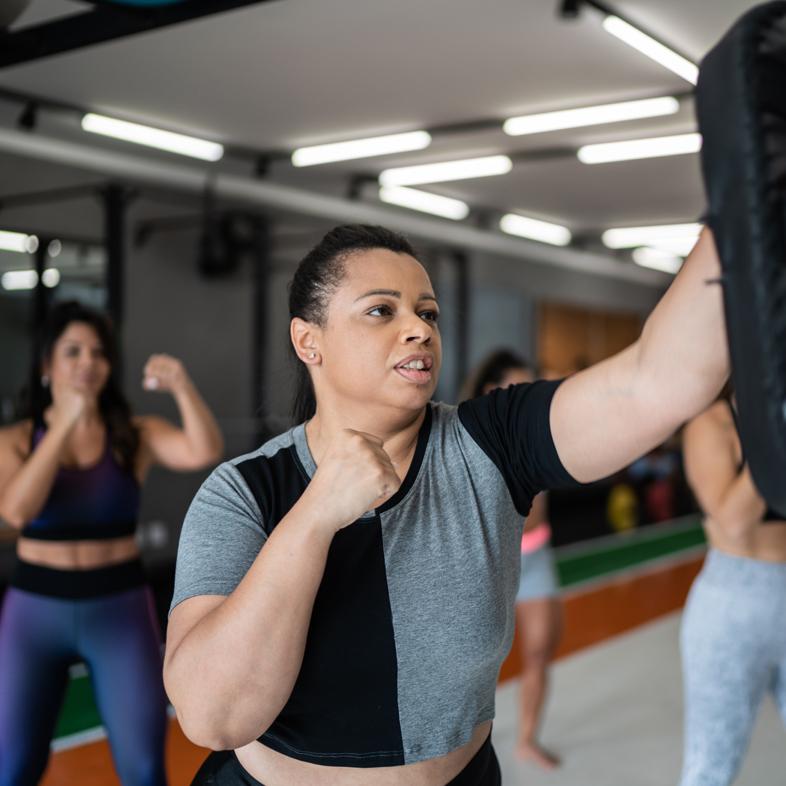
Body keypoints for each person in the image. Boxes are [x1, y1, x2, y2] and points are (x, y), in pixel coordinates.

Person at [164, 223, 727, 786]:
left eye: (428, 313)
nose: (419, 329)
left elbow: (661, 381)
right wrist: (315, 515)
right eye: (381, 311)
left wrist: (737, 210)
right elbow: (213, 719)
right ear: (309, 341)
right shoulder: (243, 492)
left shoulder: (493, 442)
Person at [0, 301, 224, 786]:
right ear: (46, 365)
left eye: (99, 352)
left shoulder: (133, 435)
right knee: (12, 767)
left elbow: (203, 450)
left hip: (119, 608)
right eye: (73, 351)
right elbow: (16, 512)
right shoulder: (16, 439)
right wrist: (63, 424)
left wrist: (181, 385)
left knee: (144, 770)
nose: (88, 361)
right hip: (34, 613)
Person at [679, 392, 786, 786]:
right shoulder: (712, 423)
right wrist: (777, 430)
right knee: (711, 768)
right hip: (733, 602)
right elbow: (734, 523)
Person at [461, 349, 562, 769]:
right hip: (488, 563)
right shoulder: (469, 440)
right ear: (490, 391)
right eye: (515, 387)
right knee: (471, 664)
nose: (524, 396)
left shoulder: (539, 432)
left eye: (528, 387)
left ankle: (526, 739)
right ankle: (461, 746)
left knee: (540, 650)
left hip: (535, 556)